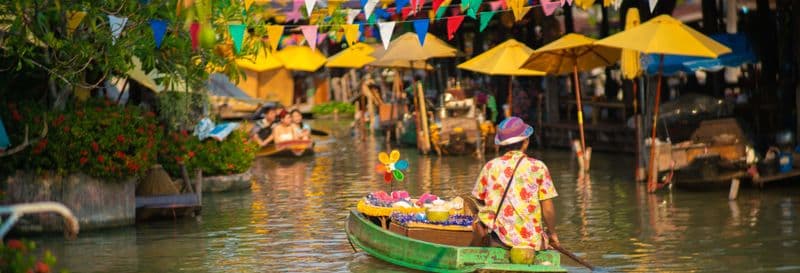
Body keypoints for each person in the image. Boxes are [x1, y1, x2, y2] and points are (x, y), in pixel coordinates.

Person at [470, 117, 559, 250]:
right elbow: (547, 208)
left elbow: (478, 200)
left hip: (499, 240)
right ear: (526, 142)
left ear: (501, 144)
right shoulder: (538, 167)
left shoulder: (490, 167)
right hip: (531, 242)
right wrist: (552, 234)